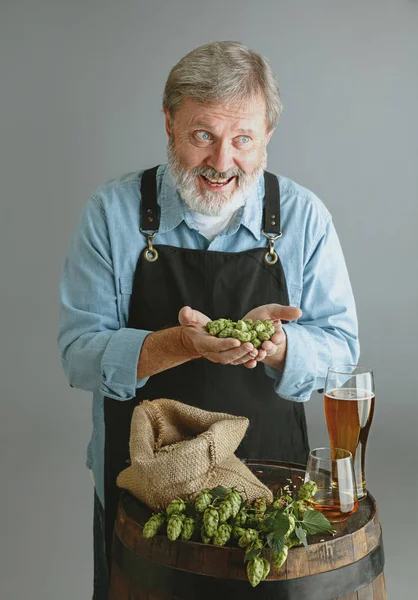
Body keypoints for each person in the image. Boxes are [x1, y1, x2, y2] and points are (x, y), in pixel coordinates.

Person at [58, 41, 359, 598]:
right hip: (148, 496)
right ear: (170, 122)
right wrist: (178, 343)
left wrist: (277, 345)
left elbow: (341, 347)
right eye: (203, 135)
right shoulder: (113, 213)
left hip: (271, 501)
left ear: (267, 134)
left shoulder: (303, 217)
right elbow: (78, 353)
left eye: (242, 138)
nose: (222, 162)